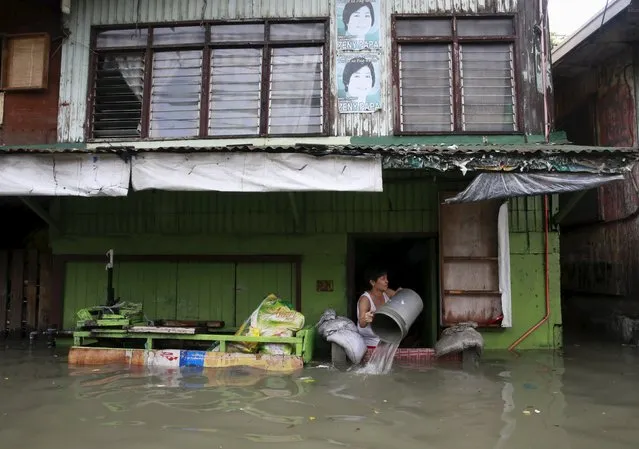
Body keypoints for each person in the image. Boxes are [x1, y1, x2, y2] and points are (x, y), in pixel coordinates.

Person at [357, 269, 401, 348]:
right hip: (371, 343)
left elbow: (402, 298)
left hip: (386, 339)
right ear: (372, 282)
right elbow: (361, 323)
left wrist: (401, 293)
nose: (387, 281)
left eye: (387, 278)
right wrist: (366, 318)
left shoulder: (387, 292)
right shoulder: (365, 299)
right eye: (383, 279)